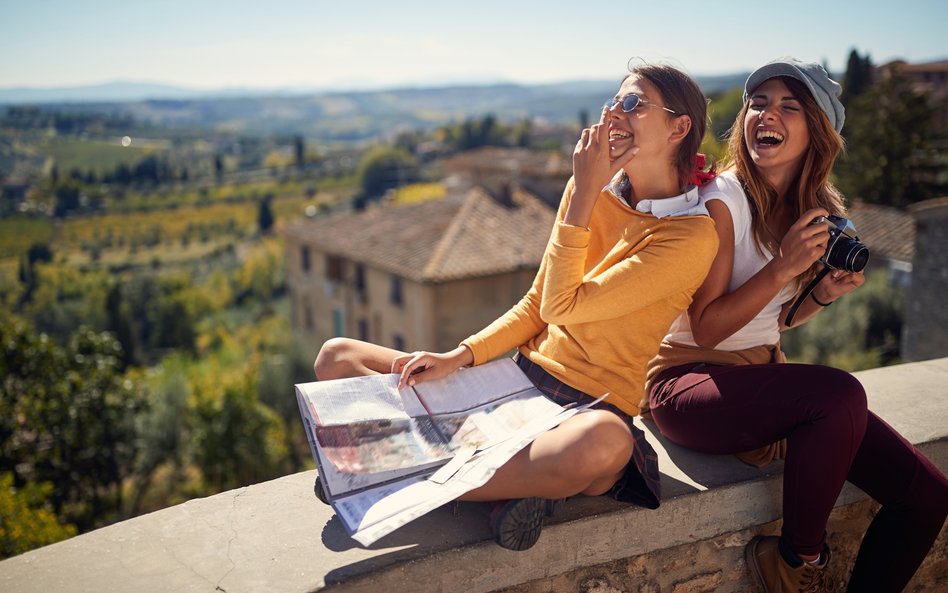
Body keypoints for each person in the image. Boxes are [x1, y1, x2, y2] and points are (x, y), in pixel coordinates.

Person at [313, 62, 719, 551]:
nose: (614, 113)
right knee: (337, 357)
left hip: (588, 409)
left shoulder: (691, 236)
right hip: (517, 383)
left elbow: (562, 305)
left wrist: (585, 193)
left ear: (679, 127)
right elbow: (536, 306)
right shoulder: (584, 194)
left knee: (605, 445)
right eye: (614, 100)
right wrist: (458, 357)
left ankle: (391, 474)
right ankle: (507, 490)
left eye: (633, 103)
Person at [645, 57, 948, 592]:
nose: (768, 114)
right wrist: (783, 266)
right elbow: (710, 328)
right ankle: (796, 562)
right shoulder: (722, 202)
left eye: (789, 106)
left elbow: (771, 320)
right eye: (758, 103)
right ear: (744, 120)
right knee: (840, 392)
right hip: (686, 383)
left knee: (928, 497)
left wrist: (820, 296)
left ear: (817, 130)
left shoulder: (813, 209)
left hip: (756, 384)